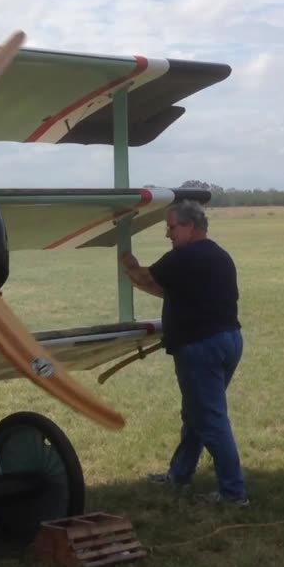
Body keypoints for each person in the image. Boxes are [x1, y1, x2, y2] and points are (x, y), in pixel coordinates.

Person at [119, 200, 248, 506]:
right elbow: (167, 289)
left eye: (172, 227)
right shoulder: (219, 255)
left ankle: (233, 493)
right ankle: (179, 475)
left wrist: (128, 263)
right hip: (229, 341)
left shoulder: (184, 257)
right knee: (197, 414)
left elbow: (147, 279)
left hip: (200, 346)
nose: (168, 234)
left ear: (190, 227)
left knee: (211, 419)